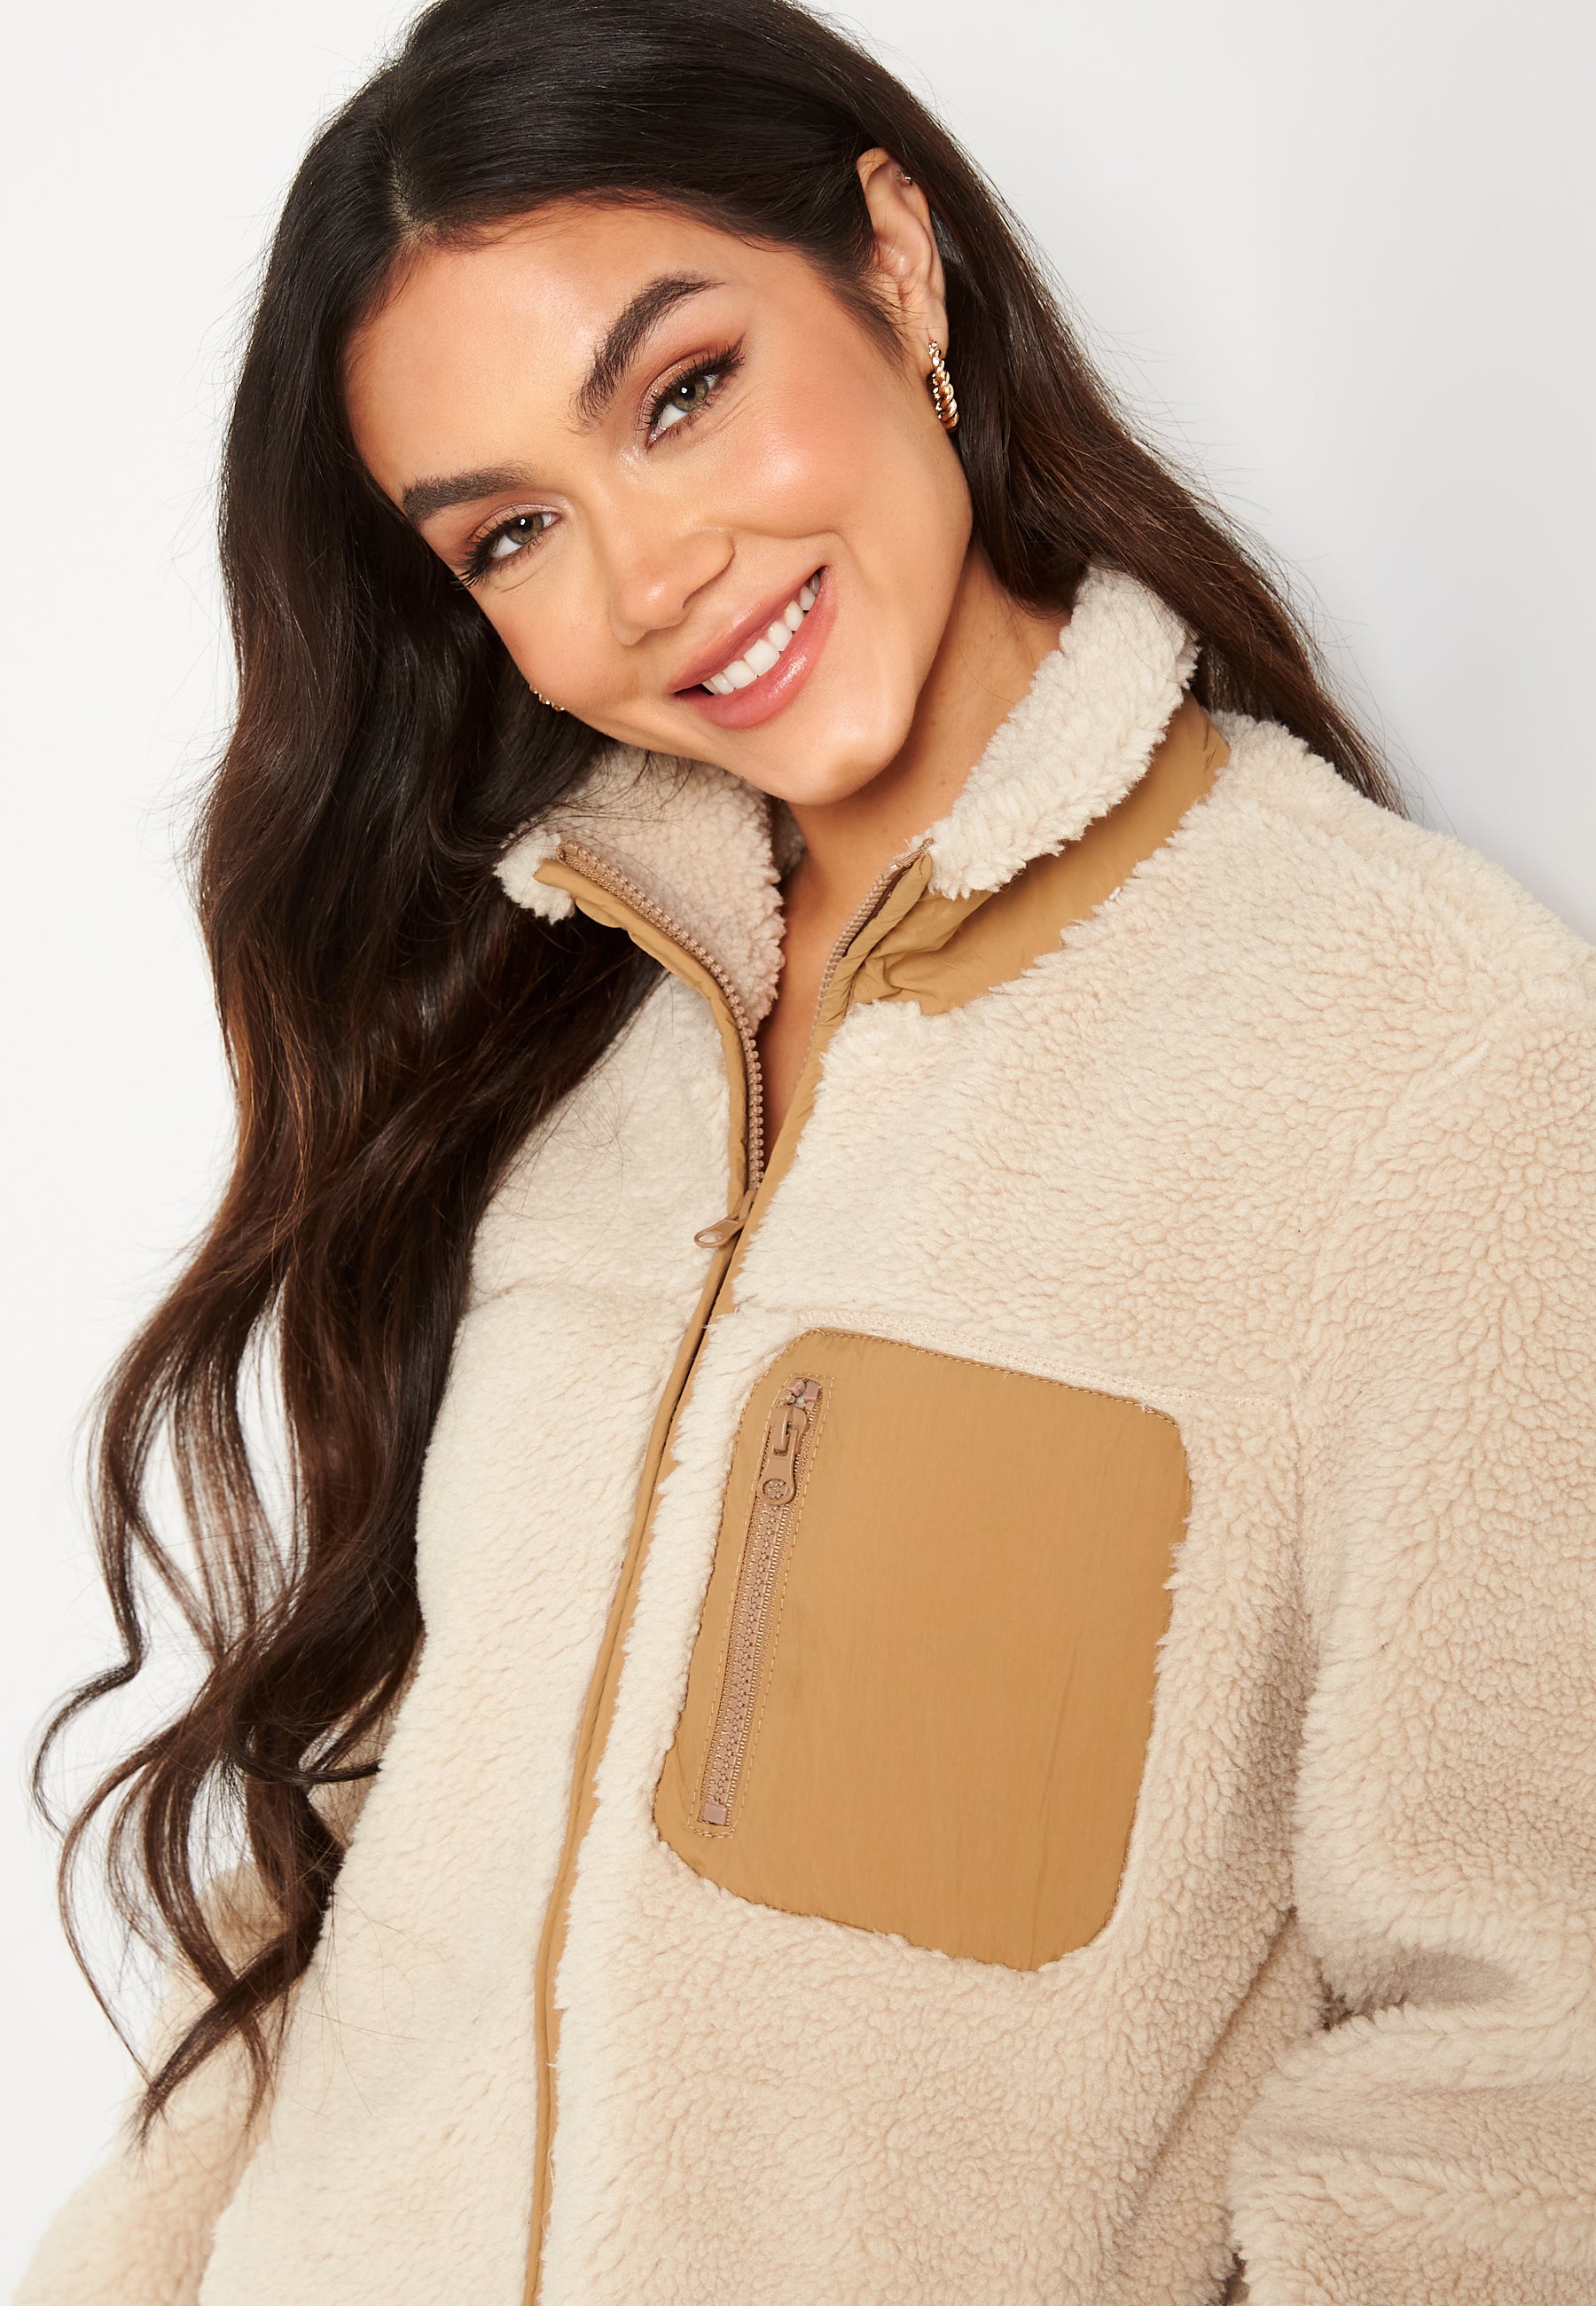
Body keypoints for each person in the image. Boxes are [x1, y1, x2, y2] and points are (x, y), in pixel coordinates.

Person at [20, 0, 1595, 2299]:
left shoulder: (1429, 1071)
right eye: (515, 533)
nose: (650, 575)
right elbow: (348, 1880)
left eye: (680, 392)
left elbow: (1522, 2094)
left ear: (894, 265)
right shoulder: (543, 1026)